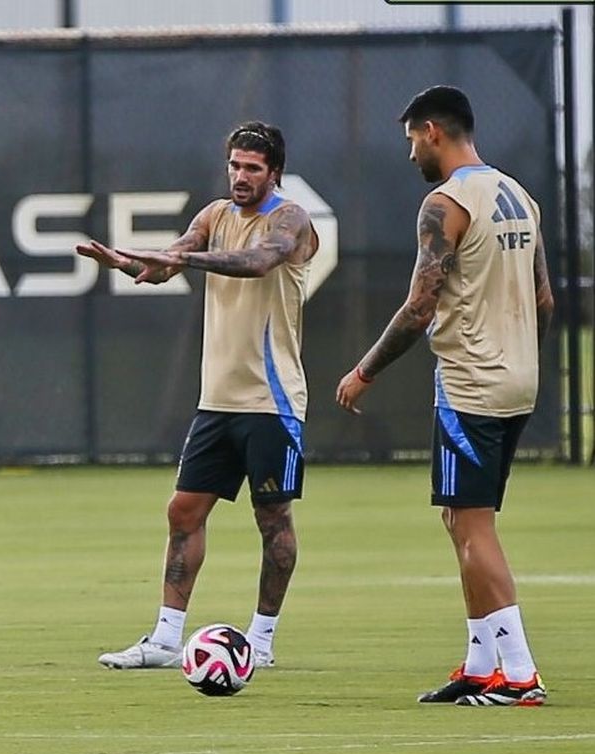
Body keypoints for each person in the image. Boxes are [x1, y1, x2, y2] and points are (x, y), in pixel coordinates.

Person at [337, 86, 553, 706]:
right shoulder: (519, 195)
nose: (410, 155)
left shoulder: (446, 202)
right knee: (458, 517)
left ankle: (520, 673)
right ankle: (481, 664)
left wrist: (365, 371)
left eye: (411, 140)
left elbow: (419, 306)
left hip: (471, 382)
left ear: (432, 131)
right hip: (518, 377)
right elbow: (544, 301)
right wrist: (520, 356)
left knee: (474, 526)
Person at [77, 121, 318, 670]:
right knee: (183, 511)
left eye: (252, 168)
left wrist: (185, 260)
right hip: (217, 399)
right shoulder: (214, 215)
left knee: (272, 517)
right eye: (234, 165)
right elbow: (169, 262)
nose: (240, 176)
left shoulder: (290, 219)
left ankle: (261, 639)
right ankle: (165, 639)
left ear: (273, 173)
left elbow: (259, 262)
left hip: (271, 400)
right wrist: (129, 264)